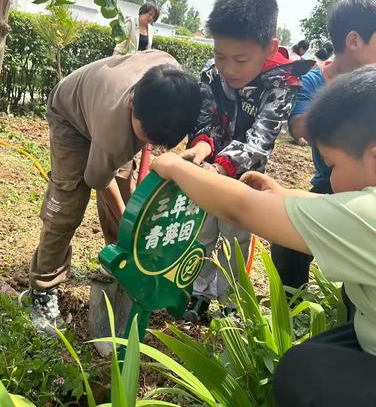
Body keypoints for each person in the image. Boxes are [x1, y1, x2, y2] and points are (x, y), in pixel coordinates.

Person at [151, 64, 376, 407]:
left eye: (331, 166)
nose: (328, 181)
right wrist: (284, 192)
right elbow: (332, 206)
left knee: (302, 371)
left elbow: (242, 210)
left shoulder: (366, 218)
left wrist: (176, 167)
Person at [21, 50, 201, 335]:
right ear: (132, 103)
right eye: (147, 136)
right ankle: (41, 289)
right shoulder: (113, 130)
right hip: (71, 115)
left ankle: (119, 264)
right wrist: (133, 228)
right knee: (67, 206)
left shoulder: (171, 82)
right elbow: (99, 182)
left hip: (114, 112)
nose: (150, 143)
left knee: (127, 193)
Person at [179, 0, 312, 322]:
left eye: (240, 59)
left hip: (245, 180)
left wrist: (221, 167)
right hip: (207, 171)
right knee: (202, 232)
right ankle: (198, 294)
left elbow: (261, 138)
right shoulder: (211, 75)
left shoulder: (282, 86)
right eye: (220, 56)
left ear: (270, 48)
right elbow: (205, 117)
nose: (229, 68)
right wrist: (202, 146)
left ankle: (230, 302)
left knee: (235, 240)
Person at [274, 0, 376, 292]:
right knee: (287, 241)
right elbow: (298, 127)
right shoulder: (314, 82)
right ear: (354, 40)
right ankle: (291, 303)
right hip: (335, 181)